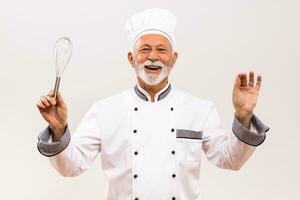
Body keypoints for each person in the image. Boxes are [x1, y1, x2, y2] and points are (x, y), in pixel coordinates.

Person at [36, 8, 269, 200]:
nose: (153, 57)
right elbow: (71, 167)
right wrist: (58, 129)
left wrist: (243, 117)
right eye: (144, 49)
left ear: (174, 59)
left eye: (161, 50)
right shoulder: (105, 110)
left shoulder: (200, 110)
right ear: (131, 59)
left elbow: (230, 159)